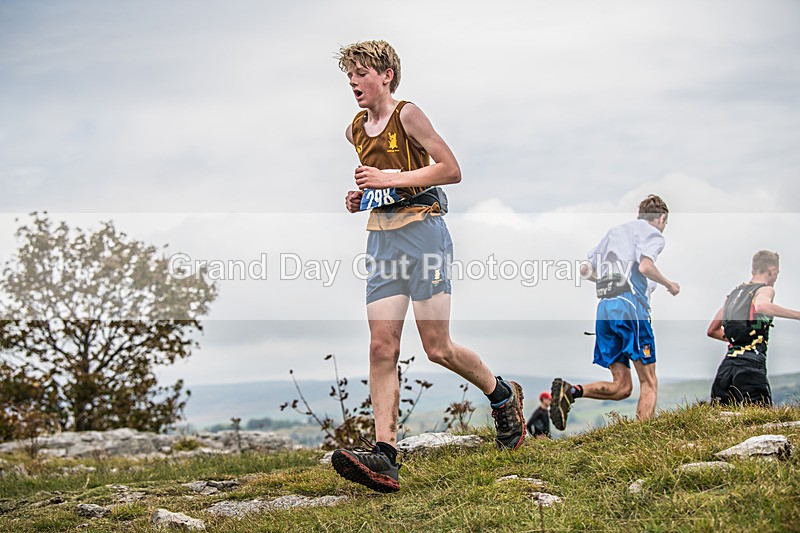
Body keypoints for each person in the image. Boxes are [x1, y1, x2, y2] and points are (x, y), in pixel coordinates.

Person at [331, 40, 526, 493]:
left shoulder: (408, 115)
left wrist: (388, 180)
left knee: (437, 347)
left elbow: (450, 169)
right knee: (382, 347)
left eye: (361, 74)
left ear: (386, 75)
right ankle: (385, 455)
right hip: (382, 239)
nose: (354, 83)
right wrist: (363, 196)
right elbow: (384, 181)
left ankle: (502, 397)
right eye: (349, 76)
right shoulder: (354, 130)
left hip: (425, 234)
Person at [549, 195, 680, 431]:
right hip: (630, 309)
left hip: (605, 309)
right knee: (649, 381)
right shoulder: (652, 234)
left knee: (622, 387)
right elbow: (645, 266)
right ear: (661, 218)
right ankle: (642, 439)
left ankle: (571, 392)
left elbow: (585, 269)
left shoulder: (615, 232)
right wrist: (669, 284)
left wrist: (608, 282)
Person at [707, 251, 800, 406]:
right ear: (771, 269)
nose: (776, 277)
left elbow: (712, 330)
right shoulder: (764, 289)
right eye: (777, 272)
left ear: (753, 270)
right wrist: (797, 315)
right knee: (761, 418)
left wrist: (738, 339)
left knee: (722, 419)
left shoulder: (733, 295)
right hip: (750, 367)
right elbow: (762, 306)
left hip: (726, 369)